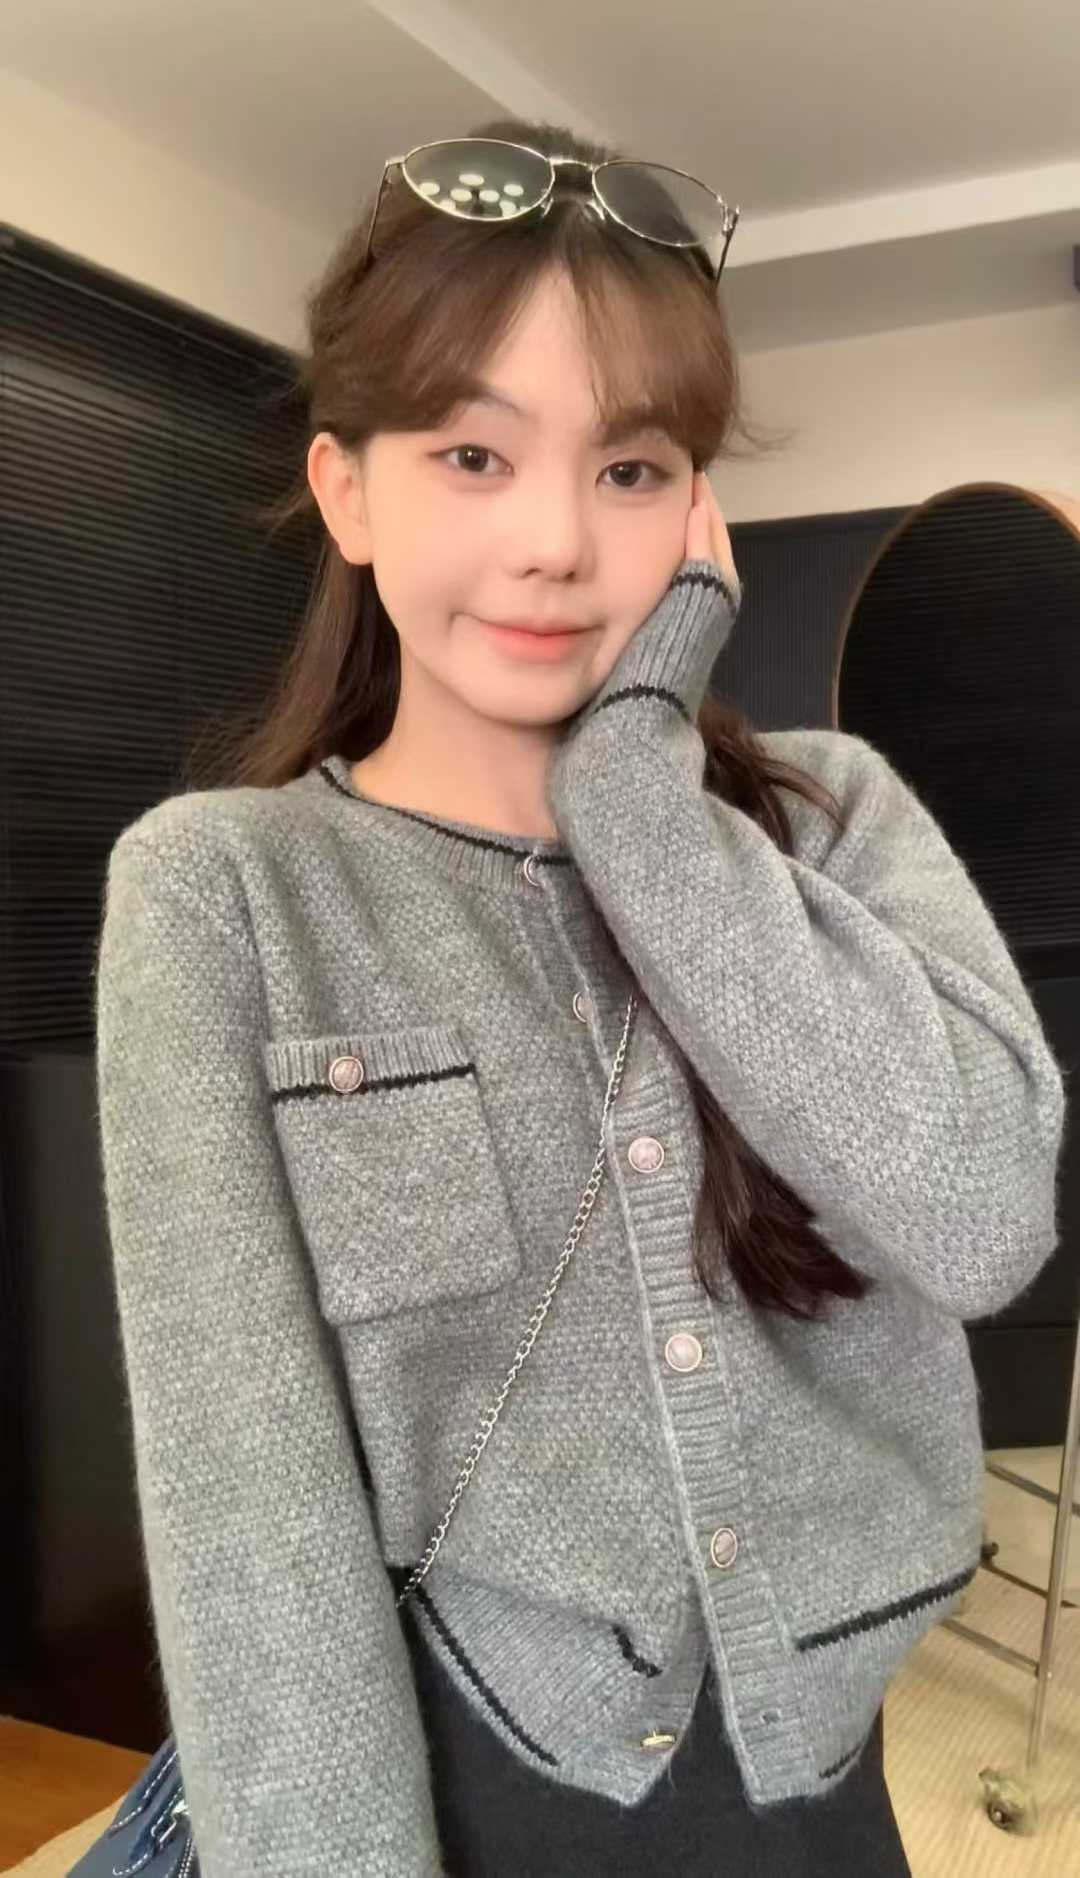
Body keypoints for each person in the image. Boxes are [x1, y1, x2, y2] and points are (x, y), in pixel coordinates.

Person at [90, 115, 1067, 1877]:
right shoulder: (224, 894)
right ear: (346, 489)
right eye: (473, 454)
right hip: (460, 1785)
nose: (554, 539)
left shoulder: (830, 823)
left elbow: (984, 1214)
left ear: (697, 513)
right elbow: (251, 1525)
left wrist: (639, 796)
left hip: (821, 1785)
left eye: (628, 467)